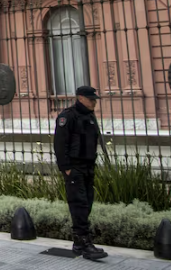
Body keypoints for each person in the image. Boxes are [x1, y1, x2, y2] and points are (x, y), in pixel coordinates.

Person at [53, 86, 107, 260]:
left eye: (95, 100)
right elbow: (60, 144)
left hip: (88, 167)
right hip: (74, 168)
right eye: (91, 99)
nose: (94, 103)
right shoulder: (67, 117)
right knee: (79, 205)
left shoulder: (90, 117)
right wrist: (66, 168)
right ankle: (84, 243)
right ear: (81, 98)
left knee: (87, 203)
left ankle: (78, 242)